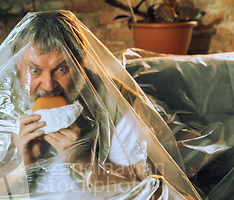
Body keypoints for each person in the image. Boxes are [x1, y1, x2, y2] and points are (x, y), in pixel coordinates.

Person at [9, 11, 144, 187]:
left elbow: (140, 189)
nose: (49, 86)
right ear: (17, 67)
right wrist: (22, 165)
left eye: (62, 69)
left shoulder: (115, 100)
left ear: (80, 63)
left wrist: (82, 159)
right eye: (35, 71)